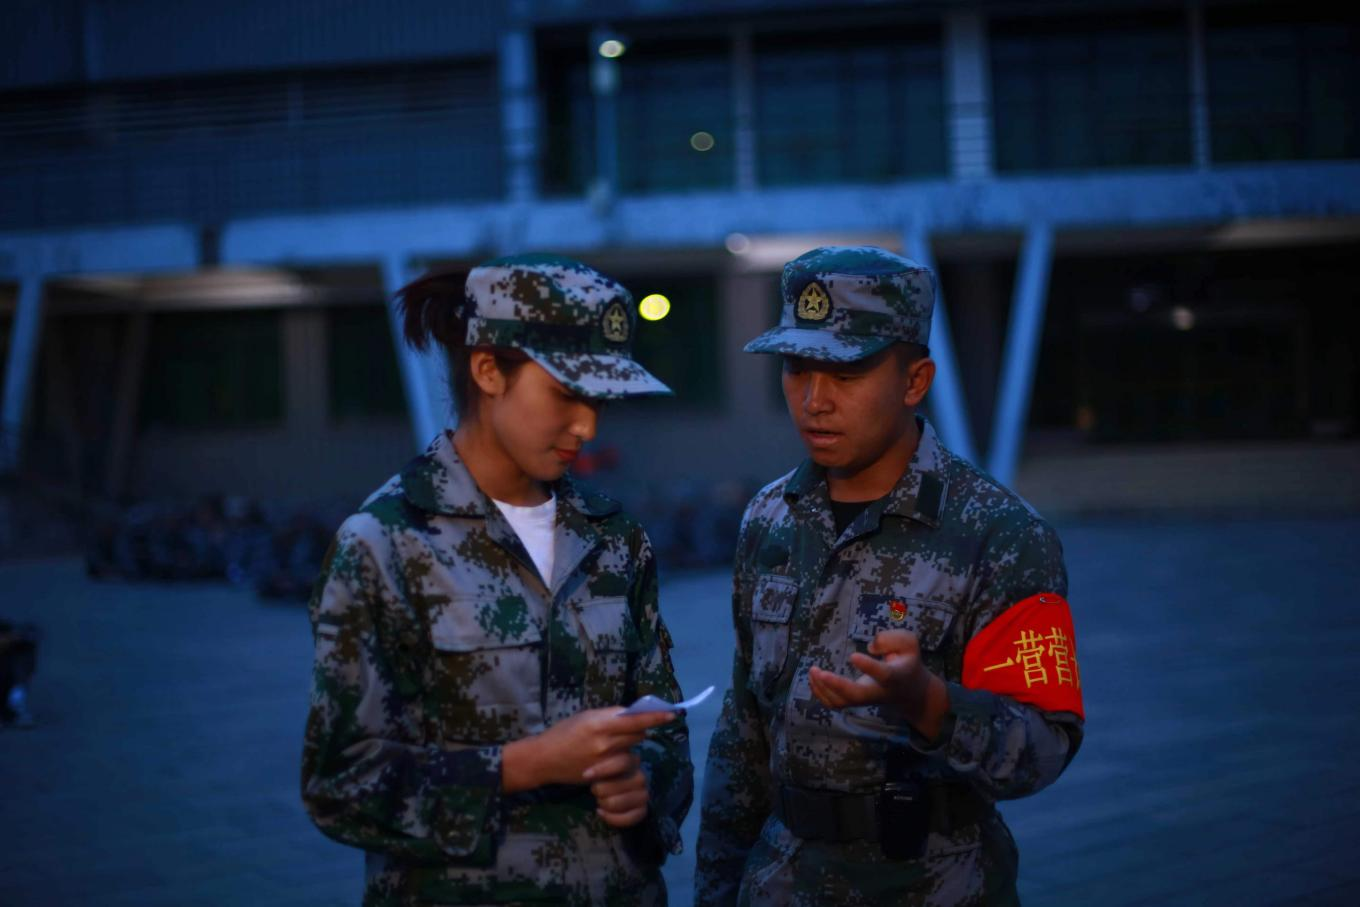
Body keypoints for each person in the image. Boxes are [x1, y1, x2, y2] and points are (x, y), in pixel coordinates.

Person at [694, 246, 1084, 905]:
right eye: (796, 368)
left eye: (846, 372)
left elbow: (1044, 747)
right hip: (781, 881)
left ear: (914, 380)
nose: (814, 400)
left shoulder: (999, 533)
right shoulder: (770, 517)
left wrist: (930, 703)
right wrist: (717, 889)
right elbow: (743, 736)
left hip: (935, 884)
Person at [302, 254, 693, 906]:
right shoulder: (384, 544)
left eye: (599, 399)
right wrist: (523, 766)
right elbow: (339, 784)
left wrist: (646, 784)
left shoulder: (614, 538)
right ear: (488, 370)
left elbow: (666, 730)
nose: (588, 426)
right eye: (566, 394)